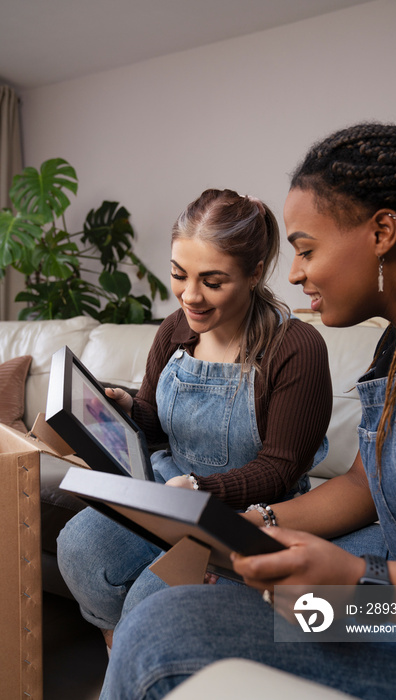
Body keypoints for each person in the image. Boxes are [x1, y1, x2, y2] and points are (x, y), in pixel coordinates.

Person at [98, 122, 396, 700]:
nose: (293, 275)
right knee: (214, 584)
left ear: (383, 231)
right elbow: (367, 483)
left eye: (307, 250)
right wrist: (263, 526)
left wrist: (359, 582)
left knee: (159, 634)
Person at [57, 188, 332, 647]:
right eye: (179, 275)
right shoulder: (174, 329)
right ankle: (122, 654)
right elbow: (153, 421)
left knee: (153, 598)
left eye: (212, 281)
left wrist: (202, 491)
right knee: (80, 551)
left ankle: (140, 658)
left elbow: (282, 468)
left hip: (242, 514)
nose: (190, 296)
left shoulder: (295, 348)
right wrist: (128, 411)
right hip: (169, 489)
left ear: (254, 273)